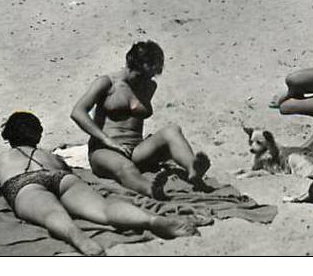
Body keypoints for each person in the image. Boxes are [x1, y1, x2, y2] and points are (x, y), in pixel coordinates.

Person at [0, 112, 197, 256]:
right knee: (104, 208)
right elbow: (64, 170)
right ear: (37, 136)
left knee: (51, 214)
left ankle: (77, 237)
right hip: (60, 177)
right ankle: (151, 219)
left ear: (9, 137)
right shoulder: (49, 156)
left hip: (23, 183)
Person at [71, 41, 211, 199]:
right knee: (125, 167)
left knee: (172, 130)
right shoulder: (107, 83)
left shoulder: (149, 86)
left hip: (136, 150)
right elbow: (78, 112)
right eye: (140, 76)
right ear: (130, 64)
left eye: (149, 76)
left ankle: (193, 170)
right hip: (104, 150)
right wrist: (107, 139)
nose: (144, 81)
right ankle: (151, 190)